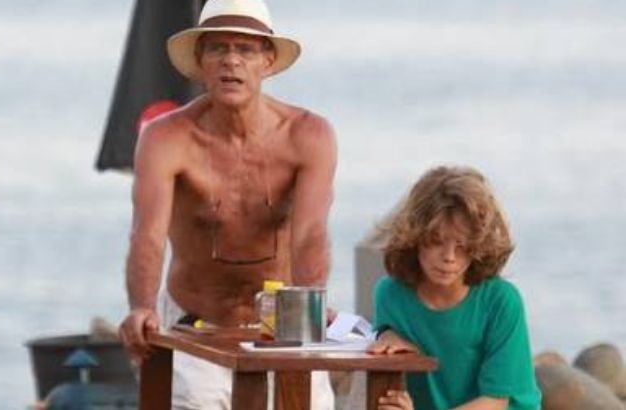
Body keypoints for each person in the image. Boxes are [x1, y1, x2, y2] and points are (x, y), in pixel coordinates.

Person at [118, 0, 337, 408]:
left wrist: (311, 299)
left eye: (246, 49)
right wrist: (142, 307)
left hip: (283, 324)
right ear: (200, 62)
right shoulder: (166, 139)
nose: (231, 61)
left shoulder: (309, 135)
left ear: (268, 60)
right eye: (218, 49)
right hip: (194, 322)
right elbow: (147, 234)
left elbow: (310, 233)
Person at [367, 166, 542, 410]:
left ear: (479, 244)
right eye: (436, 241)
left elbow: (496, 401)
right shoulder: (390, 294)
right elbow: (382, 336)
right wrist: (385, 335)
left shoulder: (501, 301)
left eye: (462, 246)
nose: (449, 257)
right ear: (414, 238)